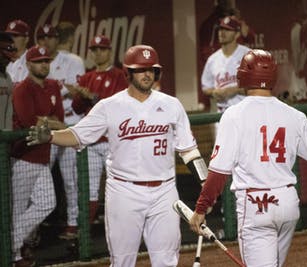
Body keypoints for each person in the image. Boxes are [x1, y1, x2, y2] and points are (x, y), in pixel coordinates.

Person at [189, 50, 307, 267]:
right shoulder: (293, 115)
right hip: (288, 205)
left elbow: (218, 173)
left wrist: (200, 209)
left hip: (256, 205)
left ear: (244, 75)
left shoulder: (234, 115)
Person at [26, 44, 208, 267]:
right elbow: (78, 134)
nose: (147, 74)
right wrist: (51, 136)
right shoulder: (110, 106)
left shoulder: (172, 105)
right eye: (141, 69)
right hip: (124, 191)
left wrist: (206, 184)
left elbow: (189, 150)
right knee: (122, 262)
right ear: (128, 72)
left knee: (167, 261)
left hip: (164, 191)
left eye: (152, 69)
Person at [11, 45, 64, 267]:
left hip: (43, 156)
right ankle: (13, 255)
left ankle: (10, 242)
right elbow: (28, 122)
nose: (44, 64)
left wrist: (46, 120)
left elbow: (60, 121)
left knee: (47, 203)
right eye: (39, 61)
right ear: (28, 64)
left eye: (46, 60)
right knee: (17, 209)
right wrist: (46, 120)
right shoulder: (23, 89)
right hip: (23, 156)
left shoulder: (53, 86)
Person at [70, 35, 128, 229]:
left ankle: (127, 227)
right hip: (92, 143)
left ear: (109, 51)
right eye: (94, 49)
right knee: (89, 189)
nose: (97, 53)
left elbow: (119, 106)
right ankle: (83, 233)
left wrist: (93, 97)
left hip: (113, 141)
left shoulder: (119, 75)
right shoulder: (87, 77)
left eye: (101, 49)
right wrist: (80, 96)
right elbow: (77, 109)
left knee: (121, 186)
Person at [36, 23, 86, 239]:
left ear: (57, 39)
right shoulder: (38, 63)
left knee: (70, 180)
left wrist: (57, 89)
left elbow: (76, 92)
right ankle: (32, 230)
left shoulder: (73, 61)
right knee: (39, 176)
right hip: (50, 124)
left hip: (72, 123)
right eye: (43, 38)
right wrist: (62, 90)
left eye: (51, 37)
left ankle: (73, 224)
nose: (47, 41)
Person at [201, 15, 250, 113]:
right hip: (221, 115)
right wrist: (214, 92)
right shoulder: (212, 59)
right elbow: (206, 87)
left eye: (227, 30)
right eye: (220, 29)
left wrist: (235, 90)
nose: (222, 33)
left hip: (244, 112)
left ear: (237, 34)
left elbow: (260, 86)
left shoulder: (248, 55)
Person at [4, 19, 30, 84]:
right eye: (9, 36)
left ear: (26, 39)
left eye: (15, 36)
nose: (11, 39)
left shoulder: (33, 61)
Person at [0, 31, 16, 130]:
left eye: (8, 58)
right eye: (3, 56)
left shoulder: (8, 78)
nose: (7, 60)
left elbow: (9, 113)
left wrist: (7, 137)